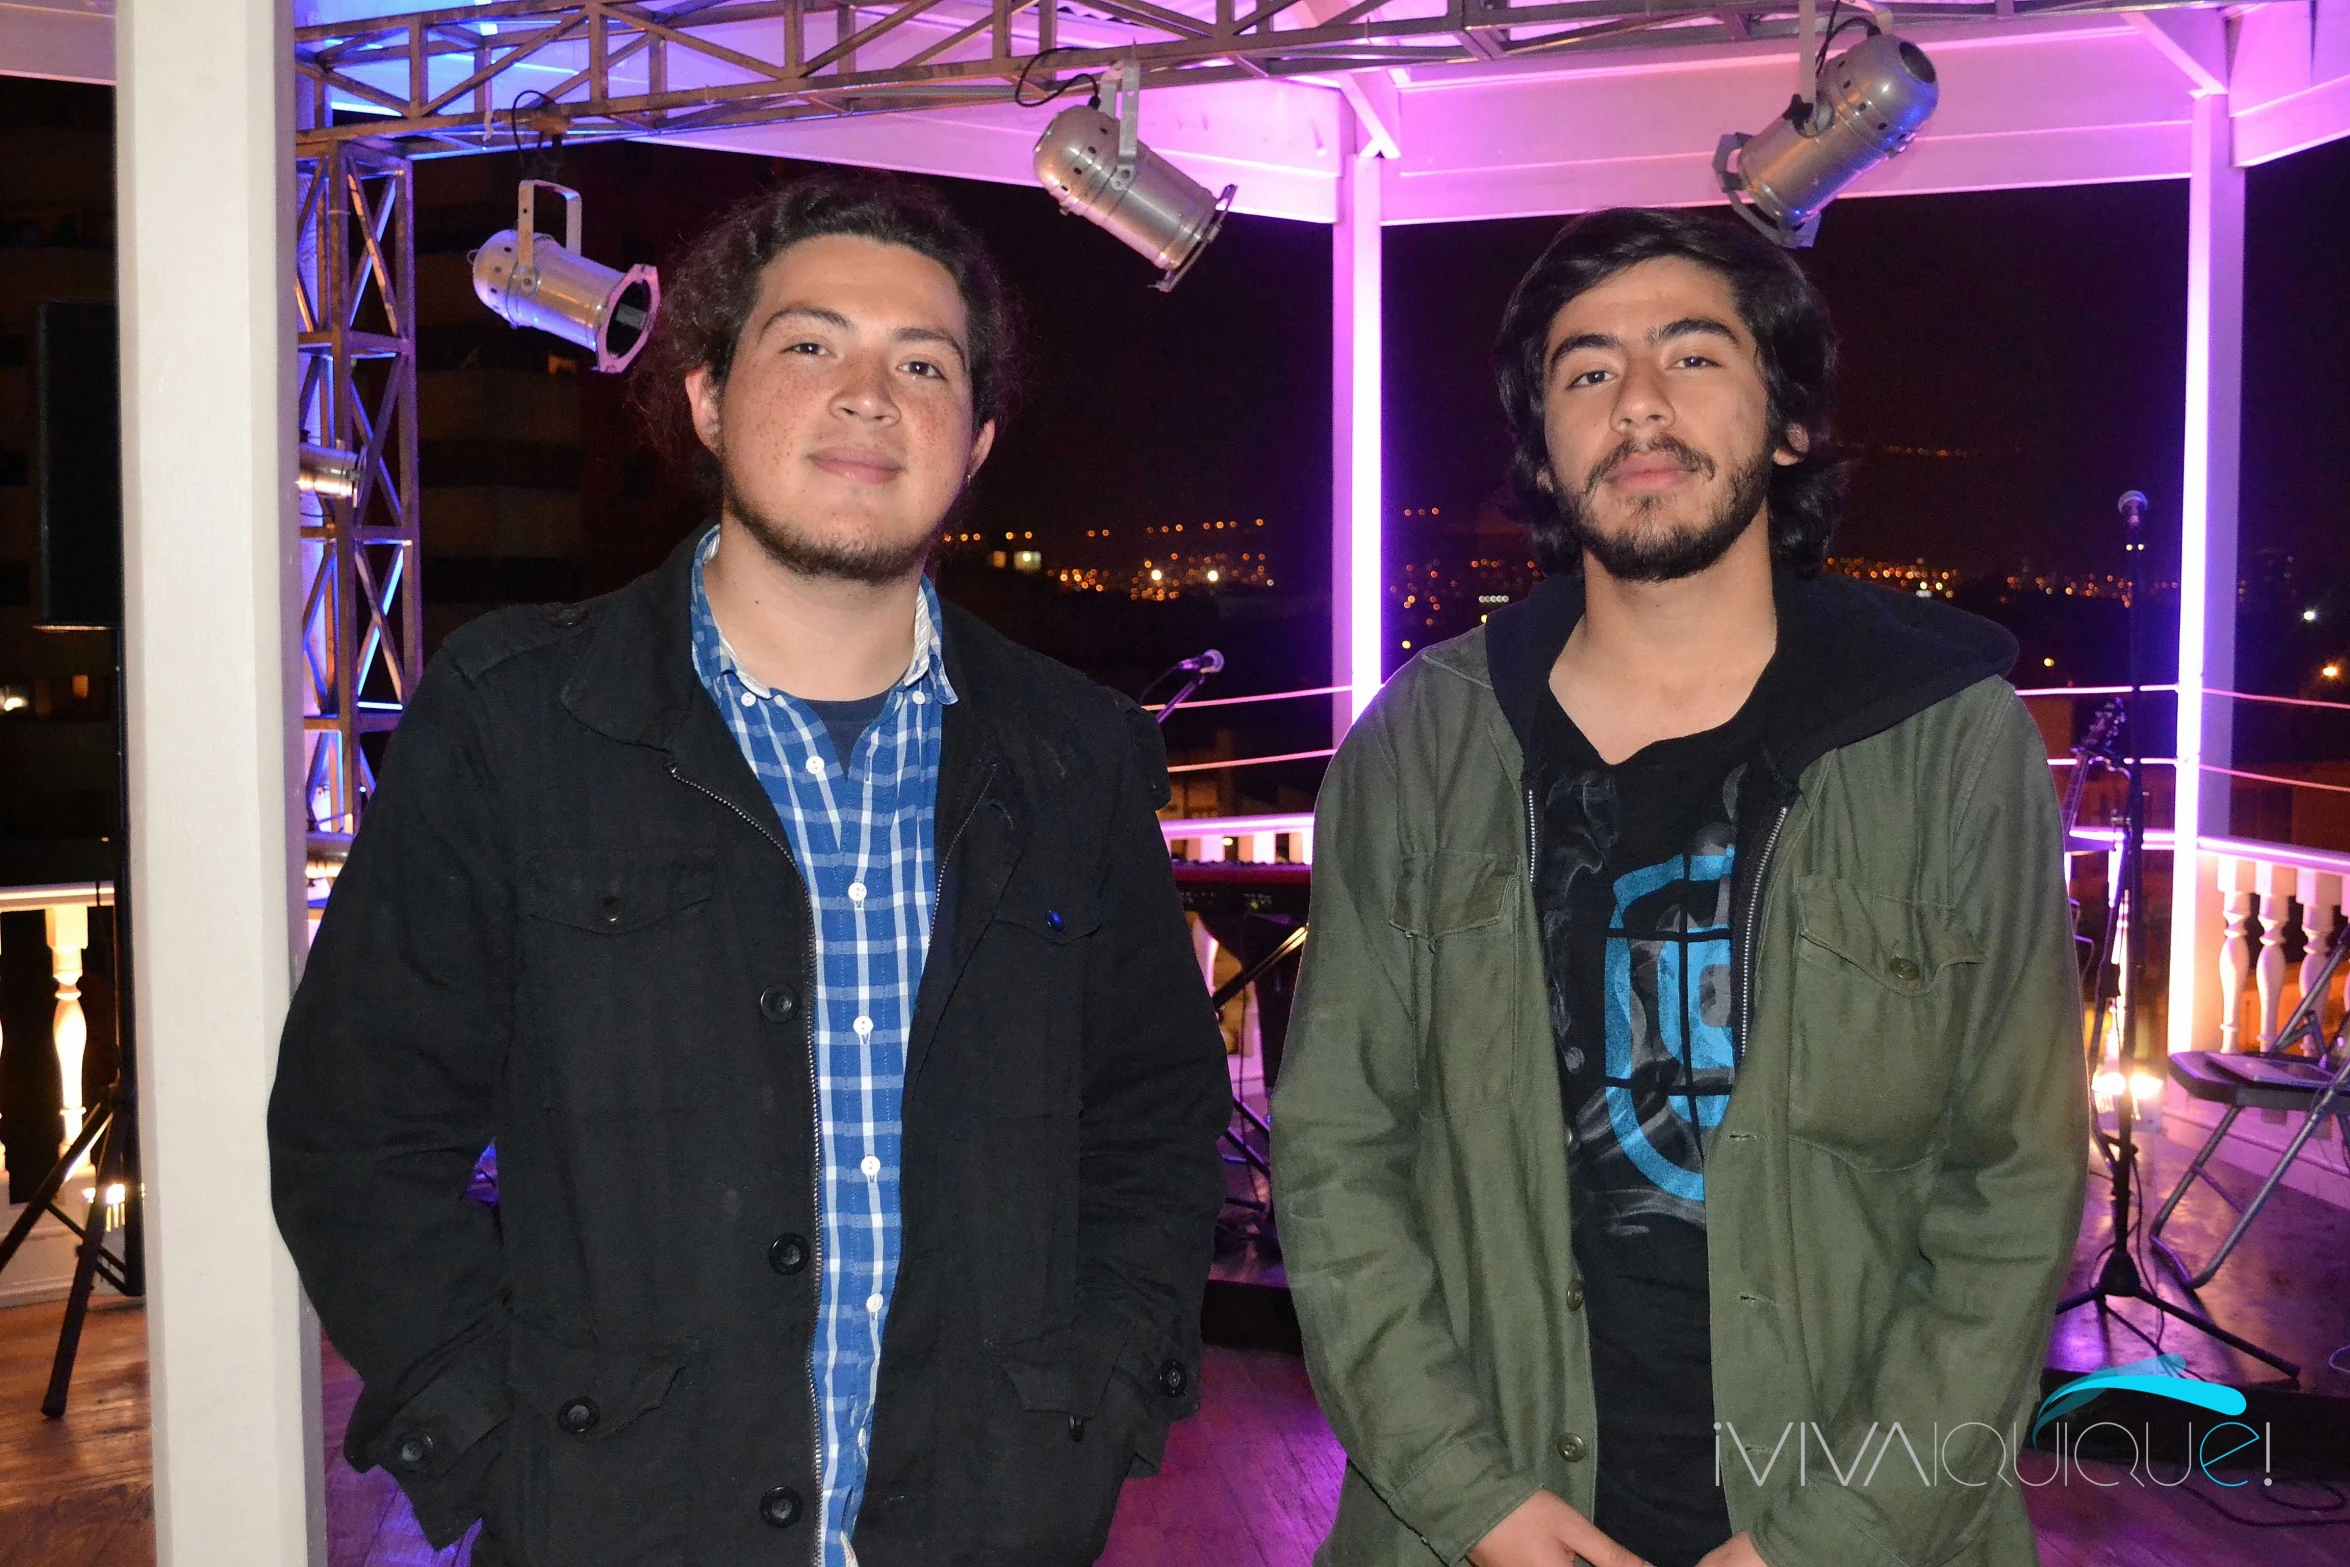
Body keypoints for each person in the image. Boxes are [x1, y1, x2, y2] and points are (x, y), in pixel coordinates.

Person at [269, 173, 1230, 1567]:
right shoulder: (517, 720)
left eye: (921, 362)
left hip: (988, 1525)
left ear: (972, 442)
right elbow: (359, 1134)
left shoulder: (1075, 756)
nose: (866, 392)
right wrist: (497, 1442)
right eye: (809, 344)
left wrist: (1093, 1402)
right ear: (709, 399)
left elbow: (1151, 1111)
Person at [1273, 208, 2086, 1567]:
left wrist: (1833, 1536)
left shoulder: (1946, 742)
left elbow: (2013, 1179)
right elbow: (1336, 1152)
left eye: (1692, 357)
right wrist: (1465, 1492)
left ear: (1787, 425)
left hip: (1849, 1518)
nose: (1636, 401)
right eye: (1585, 370)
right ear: (1543, 444)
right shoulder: (1421, 746)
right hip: (1484, 1519)